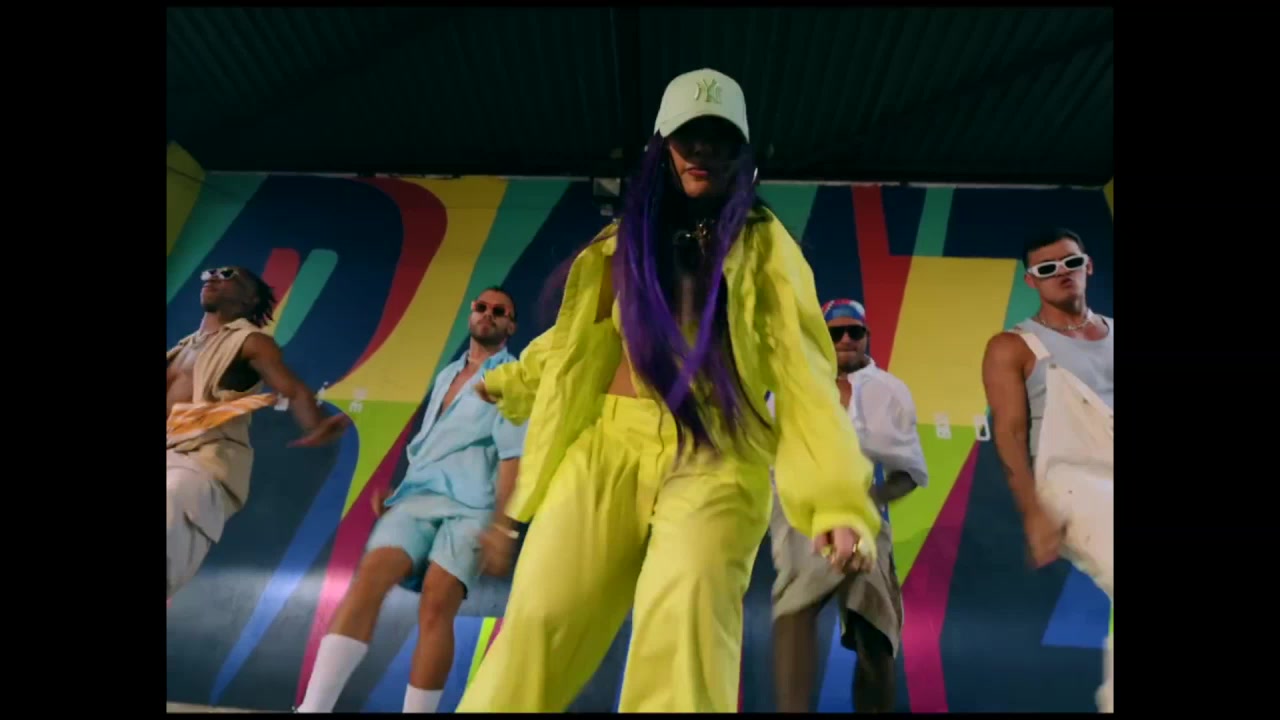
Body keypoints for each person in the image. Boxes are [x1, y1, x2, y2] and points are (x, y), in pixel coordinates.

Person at [456, 68, 883, 713]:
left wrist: (837, 504)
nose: (702, 151)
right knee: (540, 619)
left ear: (742, 152)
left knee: (685, 631)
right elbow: (576, 344)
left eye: (719, 138)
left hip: (717, 452)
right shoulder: (620, 245)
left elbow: (805, 378)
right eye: (688, 137)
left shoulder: (767, 250)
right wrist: (512, 380)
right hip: (606, 447)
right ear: (662, 146)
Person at [296, 287, 529, 714]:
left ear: (511, 325)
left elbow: (513, 455)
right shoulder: (448, 374)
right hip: (418, 497)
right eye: (481, 307)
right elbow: (432, 442)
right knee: (368, 581)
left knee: (437, 605)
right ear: (471, 314)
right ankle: (312, 709)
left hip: (474, 508)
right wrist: (402, 489)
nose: (488, 315)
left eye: (500, 311)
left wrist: (502, 525)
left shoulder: (513, 378)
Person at [770, 299, 928, 713]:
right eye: (834, 332)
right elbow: (770, 459)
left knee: (875, 628)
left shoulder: (890, 391)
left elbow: (909, 471)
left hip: (863, 520)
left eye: (854, 332)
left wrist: (863, 503)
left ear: (867, 337)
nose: (845, 340)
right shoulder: (794, 385)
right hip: (801, 514)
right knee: (795, 607)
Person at [980, 229, 1113, 712]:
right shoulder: (1013, 347)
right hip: (1071, 485)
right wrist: (1033, 512)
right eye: (1047, 268)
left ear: (1088, 265)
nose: (1062, 273)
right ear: (1031, 281)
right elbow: (1010, 435)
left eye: (1070, 262)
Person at [166, 265, 348, 600]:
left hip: (202, 460)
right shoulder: (181, 350)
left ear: (250, 298)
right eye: (211, 273)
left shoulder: (251, 342)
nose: (214, 278)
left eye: (228, 275)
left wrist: (316, 424)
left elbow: (292, 389)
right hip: (170, 454)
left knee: (173, 494)